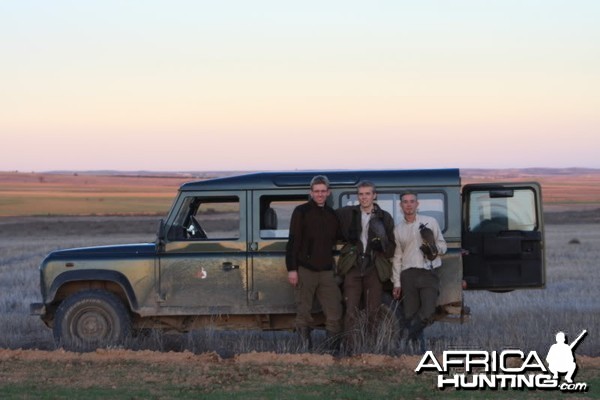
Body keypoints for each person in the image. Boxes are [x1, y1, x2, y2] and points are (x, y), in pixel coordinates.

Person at [286, 175, 343, 352]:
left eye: (323, 191)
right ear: (311, 193)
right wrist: (292, 269)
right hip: (305, 270)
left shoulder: (332, 215)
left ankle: (331, 352)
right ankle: (305, 353)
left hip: (326, 271)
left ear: (328, 192)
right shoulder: (301, 212)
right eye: (316, 191)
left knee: (334, 312)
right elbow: (293, 241)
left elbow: (339, 238)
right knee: (304, 312)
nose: (320, 194)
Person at [337, 181, 395, 351]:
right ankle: (351, 349)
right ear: (358, 196)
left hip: (374, 268)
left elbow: (392, 246)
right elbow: (328, 219)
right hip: (354, 267)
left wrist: (382, 245)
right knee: (351, 311)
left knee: (373, 311)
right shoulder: (348, 214)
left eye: (367, 194)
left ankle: (371, 349)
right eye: (361, 194)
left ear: (374, 195)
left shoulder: (384, 217)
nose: (364, 197)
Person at [392, 191, 447, 344]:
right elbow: (397, 257)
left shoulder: (431, 222)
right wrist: (397, 283)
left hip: (428, 272)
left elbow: (443, 245)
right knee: (410, 313)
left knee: (428, 312)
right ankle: (416, 349)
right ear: (401, 205)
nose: (409, 204)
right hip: (408, 274)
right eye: (405, 202)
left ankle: (406, 334)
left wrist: (434, 249)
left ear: (417, 204)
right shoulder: (398, 229)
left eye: (412, 201)